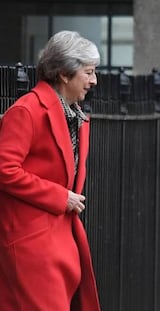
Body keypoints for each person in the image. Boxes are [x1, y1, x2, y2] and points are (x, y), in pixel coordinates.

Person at [0, 30, 101, 310]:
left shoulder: (75, 114)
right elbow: (4, 168)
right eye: (89, 72)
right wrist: (60, 197)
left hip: (59, 239)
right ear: (65, 74)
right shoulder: (27, 110)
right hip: (32, 242)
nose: (94, 80)